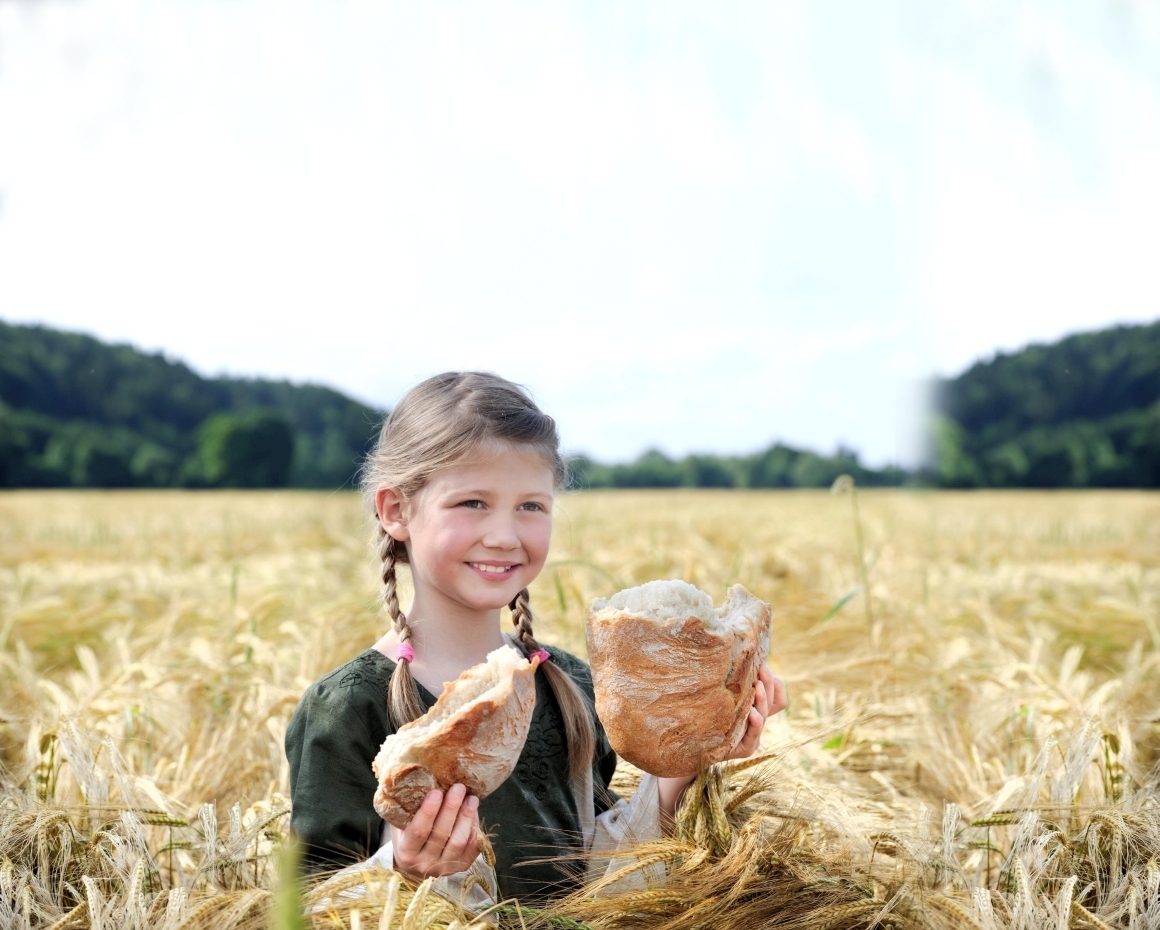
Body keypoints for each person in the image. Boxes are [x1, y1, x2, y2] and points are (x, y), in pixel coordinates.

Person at [285, 371, 786, 905]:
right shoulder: (346, 707)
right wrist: (405, 870)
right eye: (472, 503)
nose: (504, 535)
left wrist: (687, 761)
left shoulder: (570, 684)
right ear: (396, 511)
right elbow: (310, 903)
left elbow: (600, 872)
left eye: (531, 506)